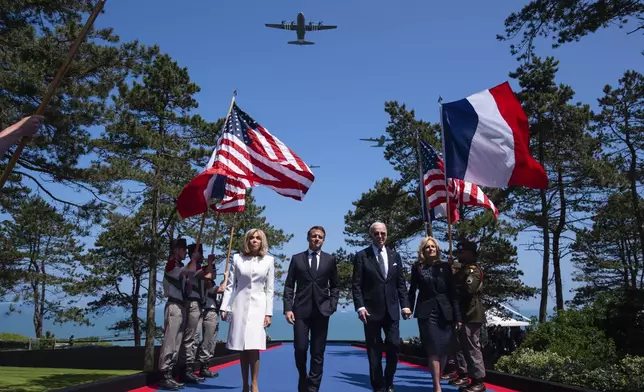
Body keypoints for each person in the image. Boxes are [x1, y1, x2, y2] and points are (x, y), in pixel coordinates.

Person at [352, 221, 411, 392]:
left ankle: (389, 381)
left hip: (392, 310)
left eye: (383, 233)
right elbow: (356, 285)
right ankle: (378, 385)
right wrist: (360, 307)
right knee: (374, 351)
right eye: (376, 233)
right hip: (370, 312)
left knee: (393, 346)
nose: (380, 236)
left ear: (387, 234)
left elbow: (401, 284)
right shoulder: (362, 256)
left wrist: (405, 305)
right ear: (371, 235)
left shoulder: (395, 256)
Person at [283, 226, 339, 392]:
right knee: (300, 348)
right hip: (300, 310)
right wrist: (288, 308)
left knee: (318, 351)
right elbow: (288, 286)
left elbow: (335, 286)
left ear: (323, 240)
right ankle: (302, 376)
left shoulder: (330, 260)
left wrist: (332, 304)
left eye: (320, 237)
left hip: (322, 311)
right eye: (314, 236)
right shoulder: (297, 259)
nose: (317, 239)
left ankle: (313, 387)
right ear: (308, 238)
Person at [220, 229, 275, 392]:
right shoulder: (237, 259)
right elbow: (230, 286)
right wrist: (225, 307)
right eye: (251, 238)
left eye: (258, 238)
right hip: (240, 305)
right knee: (241, 347)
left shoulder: (269, 261)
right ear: (247, 240)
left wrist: (268, 313)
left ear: (262, 241)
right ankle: (244, 384)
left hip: (259, 307)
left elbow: (270, 289)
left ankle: (254, 383)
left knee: (254, 345)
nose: (254, 241)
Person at [407, 237, 461, 392]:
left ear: (437, 249)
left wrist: (458, 317)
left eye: (433, 246)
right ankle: (436, 385)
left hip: (445, 312)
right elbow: (412, 290)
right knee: (433, 350)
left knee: (443, 350)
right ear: (423, 251)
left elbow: (453, 293)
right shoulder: (418, 267)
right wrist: (408, 307)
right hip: (426, 312)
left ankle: (439, 376)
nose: (430, 249)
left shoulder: (446, 267)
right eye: (427, 247)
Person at [449, 240, 487, 392]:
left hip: (472, 313)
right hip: (465, 313)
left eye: (462, 252)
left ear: (471, 253)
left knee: (472, 349)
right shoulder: (463, 269)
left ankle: (478, 381)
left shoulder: (473, 270)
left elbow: (468, 290)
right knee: (464, 347)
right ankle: (470, 377)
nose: (460, 254)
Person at [158, 238, 190, 391]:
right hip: (174, 305)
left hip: (181, 306)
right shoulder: (171, 265)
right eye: (184, 250)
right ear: (176, 250)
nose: (186, 253)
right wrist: (195, 260)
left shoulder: (179, 266)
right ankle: (164, 374)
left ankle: (170, 373)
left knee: (176, 343)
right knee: (170, 341)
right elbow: (187, 271)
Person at [179, 243, 213, 384]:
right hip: (192, 301)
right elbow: (208, 276)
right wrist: (210, 263)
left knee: (195, 336)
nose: (202, 255)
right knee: (190, 336)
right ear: (194, 254)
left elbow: (209, 280)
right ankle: (185, 369)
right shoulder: (192, 267)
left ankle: (190, 368)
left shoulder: (197, 267)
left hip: (198, 302)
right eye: (199, 252)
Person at [195, 275, 225, 378]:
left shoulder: (212, 287)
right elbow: (222, 289)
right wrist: (226, 278)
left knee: (212, 341)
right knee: (207, 341)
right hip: (209, 313)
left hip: (214, 314)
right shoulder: (208, 286)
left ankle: (206, 365)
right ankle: (203, 366)